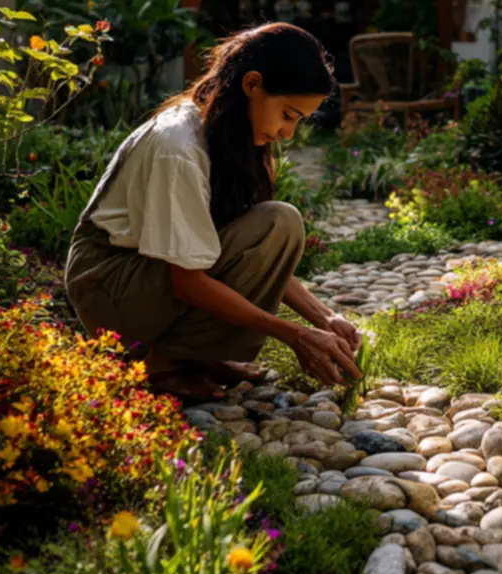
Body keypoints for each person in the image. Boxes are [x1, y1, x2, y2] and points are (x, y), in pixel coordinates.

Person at [65, 22, 361, 402]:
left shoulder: (230, 133)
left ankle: (197, 356)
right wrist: (295, 335)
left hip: (146, 273)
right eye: (288, 114)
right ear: (252, 85)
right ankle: (164, 364)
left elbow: (247, 252)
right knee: (275, 224)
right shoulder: (179, 147)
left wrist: (325, 318)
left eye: (298, 121)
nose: (288, 133)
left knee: (279, 224)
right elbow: (187, 280)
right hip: (109, 287)